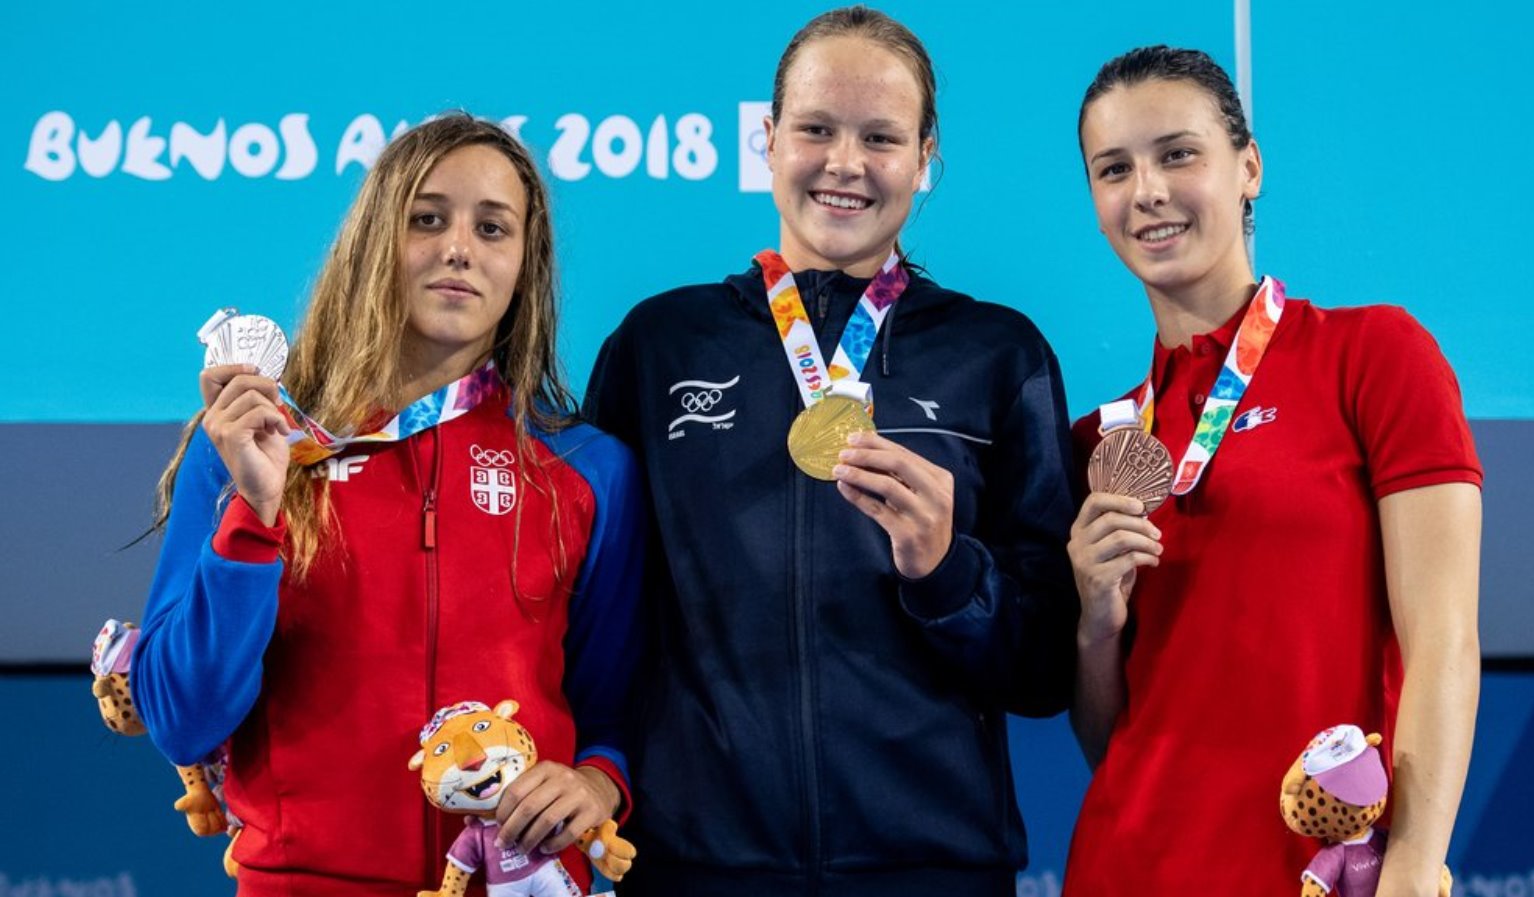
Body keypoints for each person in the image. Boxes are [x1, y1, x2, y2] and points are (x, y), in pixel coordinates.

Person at [582, 7, 1077, 896]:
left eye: (880, 137)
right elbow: (594, 615)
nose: (844, 163)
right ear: (767, 141)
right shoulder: (662, 344)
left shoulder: (997, 354)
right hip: (697, 865)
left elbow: (1045, 668)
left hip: (932, 867)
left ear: (926, 158)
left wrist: (946, 571)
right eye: (816, 128)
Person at [131, 114, 644, 897]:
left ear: (523, 267)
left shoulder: (584, 469)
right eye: (426, 218)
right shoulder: (255, 442)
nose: (458, 248)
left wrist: (599, 781)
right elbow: (181, 717)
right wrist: (256, 514)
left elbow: (614, 707)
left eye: (492, 227)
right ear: (375, 242)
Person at [1063, 46, 1482, 897]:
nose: (1146, 189)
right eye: (1115, 168)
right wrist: (1095, 624)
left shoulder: (1371, 356)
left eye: (1177, 154)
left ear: (1247, 167)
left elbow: (1445, 638)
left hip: (1318, 873)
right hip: (1125, 867)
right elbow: (1109, 735)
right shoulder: (1099, 444)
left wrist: (1410, 865)